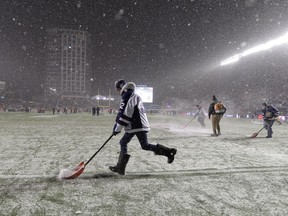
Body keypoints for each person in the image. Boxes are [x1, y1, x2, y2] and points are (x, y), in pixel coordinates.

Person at [109, 79, 177, 175]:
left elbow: (124, 113)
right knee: (142, 145)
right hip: (137, 125)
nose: (118, 92)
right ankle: (169, 152)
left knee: (127, 143)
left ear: (120, 88)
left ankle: (120, 167)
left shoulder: (127, 96)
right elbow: (125, 113)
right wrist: (116, 128)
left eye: (117, 90)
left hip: (136, 125)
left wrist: (117, 129)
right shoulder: (133, 95)